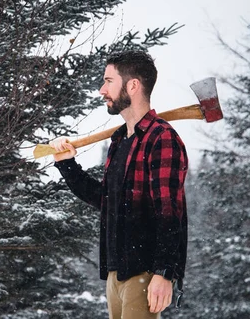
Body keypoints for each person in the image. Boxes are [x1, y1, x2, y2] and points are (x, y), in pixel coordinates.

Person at [50, 51, 188, 319]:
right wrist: (67, 164)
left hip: (144, 273)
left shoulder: (162, 138)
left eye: (108, 81)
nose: (102, 89)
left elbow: (170, 213)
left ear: (132, 85)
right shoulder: (120, 140)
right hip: (116, 274)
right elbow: (105, 200)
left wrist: (164, 273)